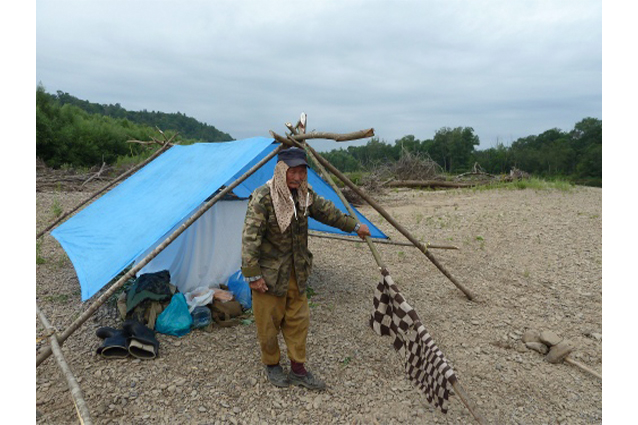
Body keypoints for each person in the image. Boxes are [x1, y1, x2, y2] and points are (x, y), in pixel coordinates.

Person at [241, 147, 371, 390]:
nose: (297, 177)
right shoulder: (263, 198)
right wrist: (253, 275)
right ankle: (272, 365)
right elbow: (250, 239)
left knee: (299, 321)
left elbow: (328, 212)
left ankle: (298, 369)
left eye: (301, 172)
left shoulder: (304, 195)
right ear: (281, 171)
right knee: (268, 324)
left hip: (296, 272)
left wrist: (355, 226)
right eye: (293, 171)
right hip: (269, 276)